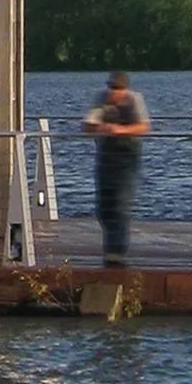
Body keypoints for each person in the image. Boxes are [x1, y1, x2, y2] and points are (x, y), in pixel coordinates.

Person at [83, 70, 150, 267]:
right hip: (105, 156)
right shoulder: (101, 99)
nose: (114, 92)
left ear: (126, 89)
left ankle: (116, 251)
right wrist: (100, 128)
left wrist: (120, 130)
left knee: (121, 203)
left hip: (128, 157)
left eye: (118, 88)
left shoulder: (134, 100)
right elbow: (86, 125)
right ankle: (111, 245)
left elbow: (144, 127)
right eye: (112, 87)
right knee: (104, 206)